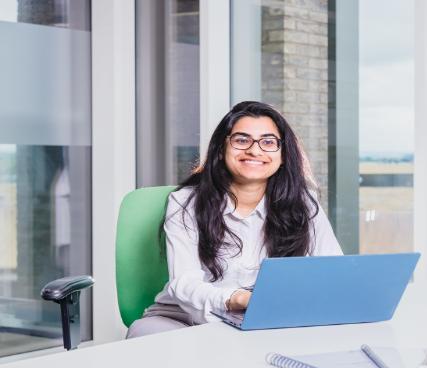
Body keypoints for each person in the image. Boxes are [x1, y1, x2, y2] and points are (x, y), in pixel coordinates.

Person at [126, 101, 342, 338]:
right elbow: (184, 284)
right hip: (183, 316)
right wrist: (237, 299)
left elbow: (332, 271)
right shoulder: (186, 202)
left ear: (282, 156)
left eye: (268, 142)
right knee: (145, 335)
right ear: (221, 149)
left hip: (266, 317)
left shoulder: (304, 204)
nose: (255, 150)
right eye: (241, 140)